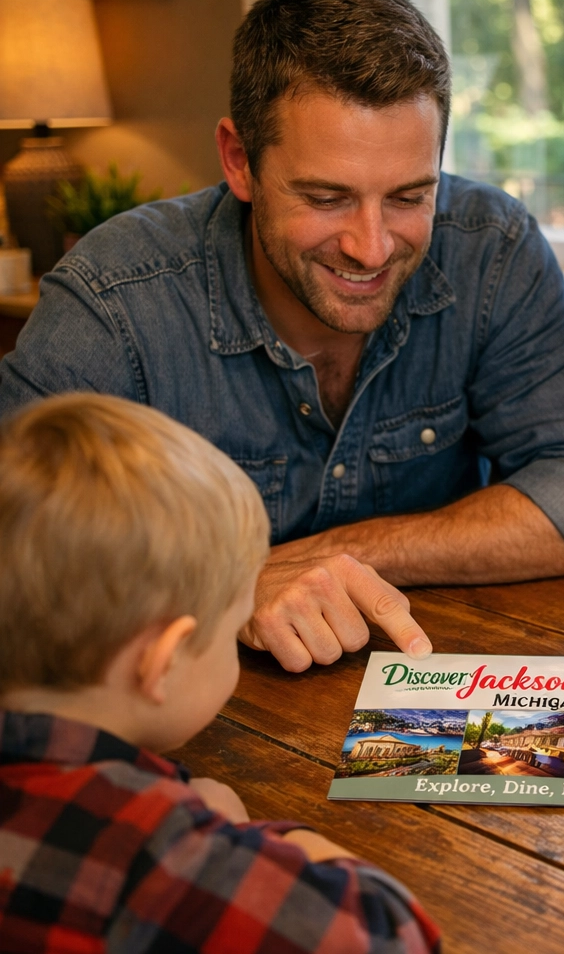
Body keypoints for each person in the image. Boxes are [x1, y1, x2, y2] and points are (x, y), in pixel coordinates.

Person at [0, 0, 564, 673]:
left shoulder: (488, 248)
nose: (371, 247)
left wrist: (332, 558)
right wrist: (230, 589)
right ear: (239, 161)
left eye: (408, 196)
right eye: (326, 196)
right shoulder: (115, 299)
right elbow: (18, 557)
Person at [0, 393, 440, 952]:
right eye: (233, 625)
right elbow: (393, 934)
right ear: (162, 663)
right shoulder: (169, 859)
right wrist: (245, 832)